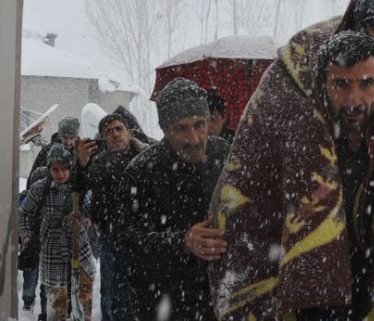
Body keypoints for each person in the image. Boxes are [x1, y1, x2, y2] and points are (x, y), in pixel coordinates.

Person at [209, 30, 374, 320]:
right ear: (323, 84)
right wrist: (198, 236)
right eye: (341, 84)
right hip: (307, 297)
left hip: (373, 295)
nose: (354, 98)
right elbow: (241, 206)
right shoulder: (294, 140)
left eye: (366, 83)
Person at [116, 78, 230, 321]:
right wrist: (182, 242)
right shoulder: (141, 172)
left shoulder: (226, 155)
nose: (195, 138)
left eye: (200, 124)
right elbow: (128, 241)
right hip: (163, 301)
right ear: (165, 130)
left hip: (220, 297)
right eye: (181, 128)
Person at [72, 113, 148, 321]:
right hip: (111, 237)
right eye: (109, 131)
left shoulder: (147, 156)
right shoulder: (99, 163)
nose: (115, 134)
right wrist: (81, 163)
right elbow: (78, 187)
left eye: (118, 129)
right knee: (111, 292)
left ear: (129, 131)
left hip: (144, 239)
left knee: (139, 292)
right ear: (103, 138)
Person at [19, 144, 95, 321]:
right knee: (56, 309)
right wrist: (26, 234)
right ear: (49, 169)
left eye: (64, 169)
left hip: (80, 250)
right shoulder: (40, 188)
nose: (60, 174)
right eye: (55, 169)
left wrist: (86, 217)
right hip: (52, 251)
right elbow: (24, 212)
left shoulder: (78, 186)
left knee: (83, 308)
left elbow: (91, 206)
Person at [19, 166, 49, 320]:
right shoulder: (26, 197)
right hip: (32, 243)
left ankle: (42, 308)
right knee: (30, 276)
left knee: (44, 280)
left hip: (47, 244)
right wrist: (24, 238)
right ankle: (28, 302)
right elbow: (21, 216)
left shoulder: (51, 197)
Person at [27, 116, 80, 188]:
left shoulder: (81, 152)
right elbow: (34, 177)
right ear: (59, 136)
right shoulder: (47, 151)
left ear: (76, 137)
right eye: (65, 137)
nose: (68, 142)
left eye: (72, 138)